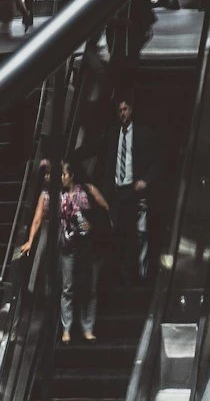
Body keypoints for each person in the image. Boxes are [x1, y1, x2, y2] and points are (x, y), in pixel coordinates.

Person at [18, 156, 108, 342]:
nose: (60, 178)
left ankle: (87, 328)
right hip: (67, 246)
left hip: (88, 247)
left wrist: (97, 228)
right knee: (68, 287)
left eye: (63, 174)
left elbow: (104, 209)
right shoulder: (51, 195)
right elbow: (37, 218)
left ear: (71, 175)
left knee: (89, 288)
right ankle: (66, 328)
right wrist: (30, 240)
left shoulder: (86, 190)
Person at [97, 92, 154, 282]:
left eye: (125, 109)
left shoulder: (143, 133)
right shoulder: (113, 134)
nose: (122, 113)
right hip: (115, 190)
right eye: (119, 110)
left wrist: (145, 180)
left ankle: (128, 273)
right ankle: (115, 271)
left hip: (132, 189)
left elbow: (157, 161)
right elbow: (105, 158)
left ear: (131, 110)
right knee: (114, 231)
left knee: (132, 232)